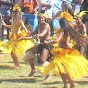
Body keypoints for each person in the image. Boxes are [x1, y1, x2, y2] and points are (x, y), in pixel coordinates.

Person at [38, 12, 88, 88]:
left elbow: (56, 41)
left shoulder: (63, 31)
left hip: (63, 52)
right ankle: (66, 85)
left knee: (63, 70)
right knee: (61, 70)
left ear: (61, 24)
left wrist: (48, 43)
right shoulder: (68, 30)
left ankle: (71, 84)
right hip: (66, 51)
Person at [0, 4, 34, 69]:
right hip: (13, 37)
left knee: (13, 52)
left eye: (13, 13)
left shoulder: (20, 21)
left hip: (18, 38)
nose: (12, 14)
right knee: (12, 52)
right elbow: (12, 26)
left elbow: (24, 27)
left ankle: (18, 64)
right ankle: (17, 64)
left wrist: (27, 31)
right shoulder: (13, 20)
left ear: (16, 14)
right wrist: (5, 25)